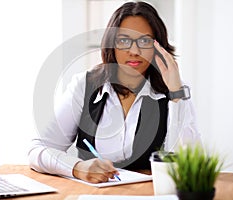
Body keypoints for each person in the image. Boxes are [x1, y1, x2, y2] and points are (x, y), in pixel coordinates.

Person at [28, 1, 201, 184]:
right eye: (124, 40)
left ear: (158, 46)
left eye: (144, 41)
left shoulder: (174, 91)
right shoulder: (85, 85)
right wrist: (77, 167)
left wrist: (176, 94)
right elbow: (37, 149)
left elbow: (191, 163)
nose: (134, 51)